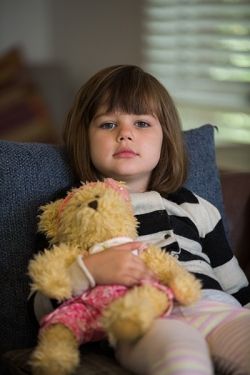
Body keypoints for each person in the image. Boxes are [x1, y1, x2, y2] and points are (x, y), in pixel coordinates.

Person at [31, 65, 250, 375]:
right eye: (108, 124)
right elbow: (40, 305)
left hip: (211, 305)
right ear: (85, 138)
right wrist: (89, 271)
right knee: (183, 360)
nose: (125, 133)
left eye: (142, 122)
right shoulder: (70, 209)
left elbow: (237, 287)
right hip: (141, 320)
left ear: (166, 138)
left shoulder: (195, 207)